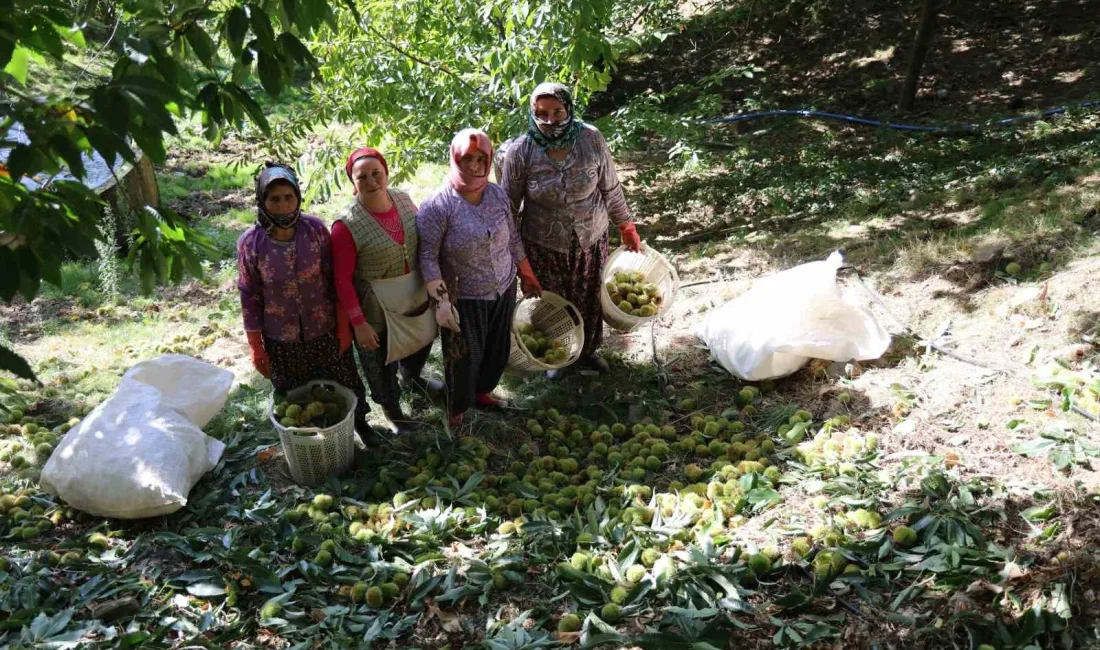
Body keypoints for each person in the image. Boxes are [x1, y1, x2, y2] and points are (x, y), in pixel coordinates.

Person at [501, 82, 643, 374]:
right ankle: (557, 354)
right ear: (532, 113)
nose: (551, 121)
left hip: (590, 235)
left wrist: (626, 225)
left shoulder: (590, 139)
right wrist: (517, 260)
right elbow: (507, 210)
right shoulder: (521, 151)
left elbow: (611, 187)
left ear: (569, 108)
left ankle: (587, 351)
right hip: (543, 241)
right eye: (542, 114)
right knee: (552, 299)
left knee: (589, 294)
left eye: (558, 111)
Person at [236, 163, 377, 444]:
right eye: (274, 199)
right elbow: (248, 295)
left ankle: (360, 424)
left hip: (324, 326)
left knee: (345, 381)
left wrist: (343, 327)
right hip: (281, 336)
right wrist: (255, 346)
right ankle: (310, 441)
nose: (283, 205)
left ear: (298, 197)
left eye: (289, 197)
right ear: (262, 201)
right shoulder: (251, 244)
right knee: (295, 396)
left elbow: (334, 279)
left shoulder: (314, 230)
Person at [417, 129, 542, 429]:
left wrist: (527, 273)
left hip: (503, 286)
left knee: (496, 351)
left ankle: (482, 393)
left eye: (481, 158)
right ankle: (457, 409)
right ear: (454, 158)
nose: (474, 166)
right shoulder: (438, 205)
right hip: (465, 297)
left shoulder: (497, 194)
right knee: (463, 360)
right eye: (467, 159)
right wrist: (442, 302)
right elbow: (427, 257)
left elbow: (512, 238)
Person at [331, 147, 441, 432]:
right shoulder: (347, 225)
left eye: (376, 173)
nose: (371, 181)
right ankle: (394, 413)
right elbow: (341, 280)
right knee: (380, 363)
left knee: (421, 336)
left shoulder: (403, 199)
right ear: (352, 182)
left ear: (386, 172)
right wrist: (359, 323)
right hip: (375, 302)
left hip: (412, 289)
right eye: (362, 177)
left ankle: (412, 377)